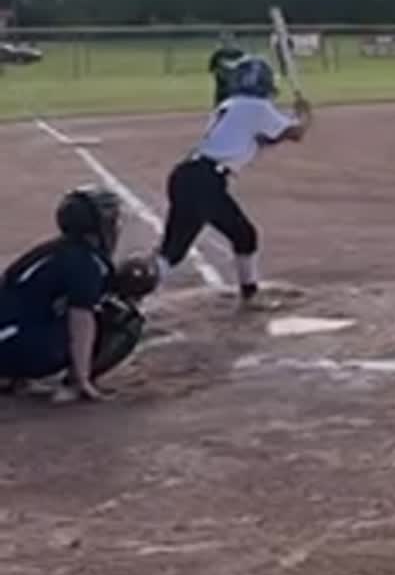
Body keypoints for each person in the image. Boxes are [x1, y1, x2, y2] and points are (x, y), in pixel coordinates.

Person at [151, 55, 311, 309]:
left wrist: (294, 118)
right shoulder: (256, 107)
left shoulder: (231, 104)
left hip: (190, 175)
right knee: (180, 250)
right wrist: (304, 115)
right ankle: (131, 294)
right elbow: (296, 134)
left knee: (236, 236)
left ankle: (249, 294)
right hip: (205, 181)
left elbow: (264, 139)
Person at [0, 187, 149, 403]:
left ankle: (9, 375)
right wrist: (82, 378)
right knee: (122, 317)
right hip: (16, 346)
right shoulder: (85, 263)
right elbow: (81, 321)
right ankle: (73, 385)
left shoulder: (54, 250)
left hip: (8, 337)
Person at [208, 31, 244, 107]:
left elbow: (245, 69)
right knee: (220, 107)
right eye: (224, 41)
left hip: (236, 88)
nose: (227, 43)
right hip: (222, 88)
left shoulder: (240, 54)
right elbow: (212, 70)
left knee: (236, 107)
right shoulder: (217, 54)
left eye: (229, 41)